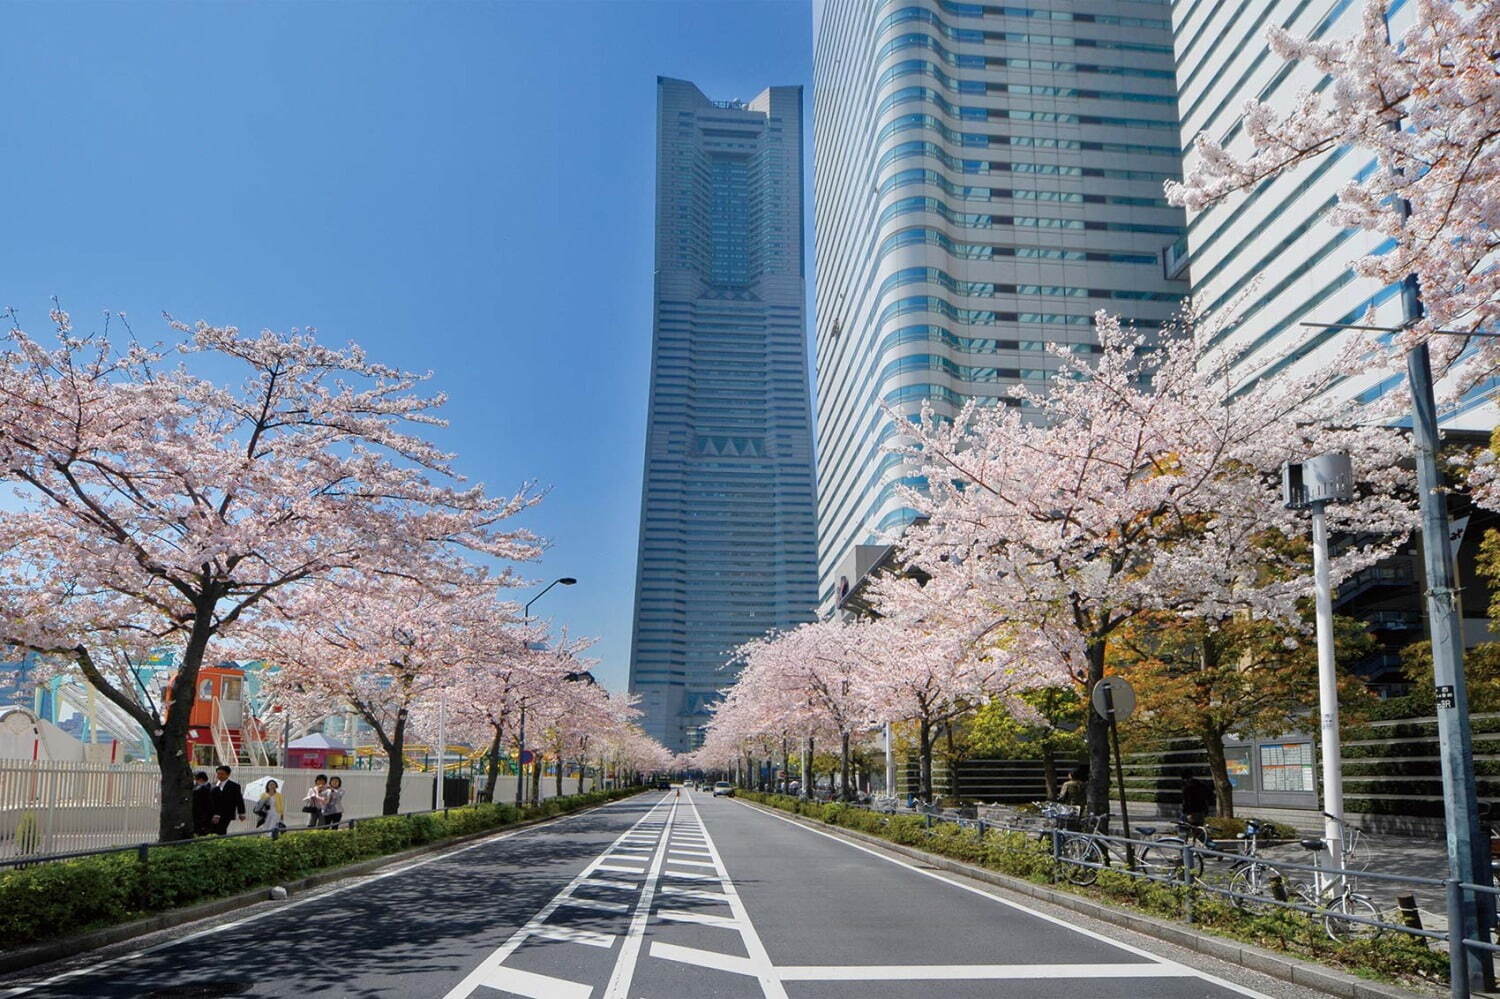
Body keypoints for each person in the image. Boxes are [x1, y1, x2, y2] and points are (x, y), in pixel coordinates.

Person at [208, 765, 245, 835]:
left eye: (222, 774)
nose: (219, 776)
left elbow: (239, 800)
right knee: (213, 831)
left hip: (226, 813)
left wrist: (241, 813)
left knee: (221, 830)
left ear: (228, 775)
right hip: (213, 813)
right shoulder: (213, 785)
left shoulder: (234, 786)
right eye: (218, 774)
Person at [192, 771, 214, 836]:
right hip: (196, 816)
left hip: (204, 815)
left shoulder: (210, 788)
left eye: (195, 779)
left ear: (200, 779)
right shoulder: (195, 787)